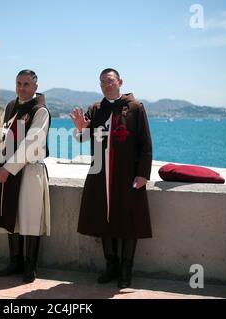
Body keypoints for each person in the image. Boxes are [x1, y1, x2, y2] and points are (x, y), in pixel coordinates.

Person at [70, 68, 153, 289]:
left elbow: (145, 144)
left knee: (128, 222)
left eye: (110, 81)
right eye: (102, 82)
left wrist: (143, 174)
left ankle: (126, 270)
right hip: (100, 175)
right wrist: (79, 129)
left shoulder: (135, 107)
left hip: (127, 176)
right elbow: (83, 136)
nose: (106, 85)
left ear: (119, 82)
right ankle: (111, 265)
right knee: (103, 219)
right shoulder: (96, 109)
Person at [0, 69, 51, 283]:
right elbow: (2, 134)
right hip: (8, 168)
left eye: (26, 84)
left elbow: (32, 141)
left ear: (35, 87)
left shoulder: (40, 110)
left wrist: (8, 169)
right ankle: (14, 262)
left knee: (30, 217)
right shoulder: (10, 106)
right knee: (12, 215)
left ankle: (30, 266)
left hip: (30, 170)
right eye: (18, 83)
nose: (22, 88)